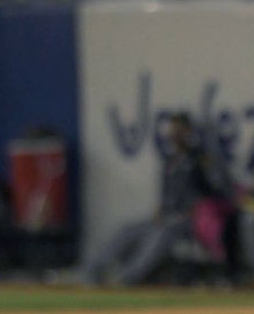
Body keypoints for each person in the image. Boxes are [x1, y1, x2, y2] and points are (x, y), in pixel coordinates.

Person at [78, 112, 217, 285]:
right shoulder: (170, 160)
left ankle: (126, 278)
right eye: (172, 130)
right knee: (127, 230)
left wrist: (195, 210)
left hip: (188, 220)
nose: (173, 135)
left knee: (159, 235)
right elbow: (166, 193)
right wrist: (159, 210)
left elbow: (211, 191)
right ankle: (91, 271)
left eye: (178, 130)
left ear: (188, 131)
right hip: (166, 216)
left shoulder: (198, 158)